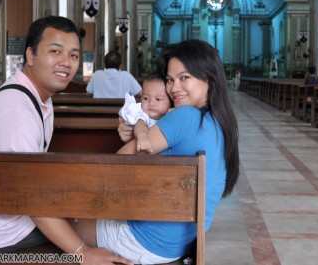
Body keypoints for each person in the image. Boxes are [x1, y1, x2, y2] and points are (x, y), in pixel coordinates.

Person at [0, 16, 132, 265]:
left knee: (93, 211)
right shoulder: (18, 110)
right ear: (31, 55)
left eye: (73, 56)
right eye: (55, 51)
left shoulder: (35, 96)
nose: (66, 63)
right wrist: (82, 253)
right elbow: (30, 198)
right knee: (111, 230)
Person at [75, 39, 240, 264]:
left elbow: (116, 164)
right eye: (170, 80)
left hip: (147, 242)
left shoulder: (185, 116)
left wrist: (134, 134)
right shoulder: (221, 121)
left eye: (184, 78)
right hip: (183, 241)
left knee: (69, 222)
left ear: (208, 78)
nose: (174, 88)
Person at [118, 73, 172, 152]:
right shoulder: (144, 115)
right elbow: (140, 125)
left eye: (158, 99)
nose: (151, 103)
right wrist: (142, 137)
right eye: (146, 98)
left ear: (170, 102)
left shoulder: (170, 114)